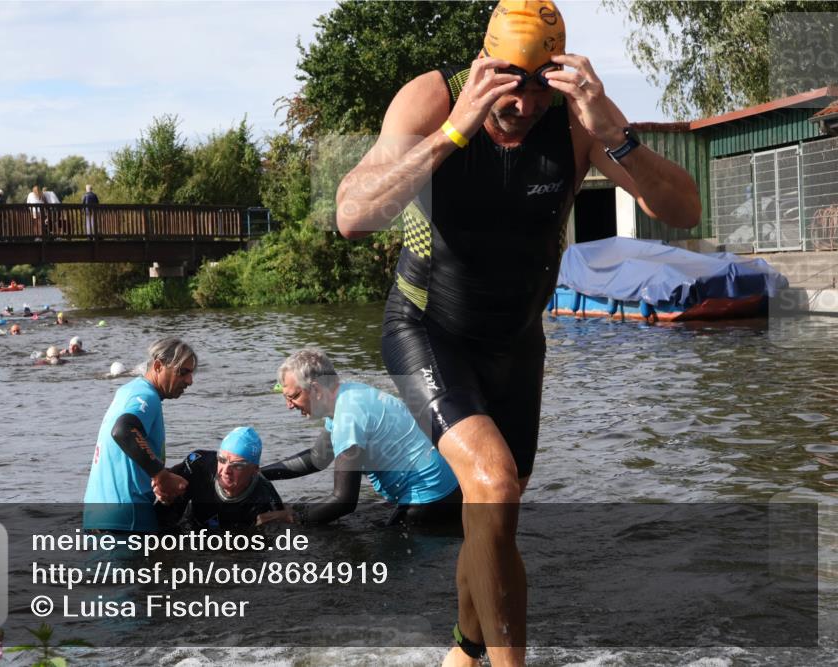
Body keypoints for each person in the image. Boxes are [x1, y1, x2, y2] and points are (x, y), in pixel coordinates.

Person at [333, 3, 701, 664]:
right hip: (427, 325)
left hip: (515, 342)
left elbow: (681, 208)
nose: (526, 101)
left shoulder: (577, 122)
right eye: (509, 79)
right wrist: (452, 132)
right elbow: (354, 215)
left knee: (494, 513)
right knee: (494, 483)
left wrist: (615, 133)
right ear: (483, 62)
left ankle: (464, 649)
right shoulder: (433, 98)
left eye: (541, 82)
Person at [263, 349, 460, 527]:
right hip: (447, 488)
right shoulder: (349, 395)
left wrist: (293, 518)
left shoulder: (348, 418)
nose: (289, 405)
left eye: (293, 396)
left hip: (430, 497)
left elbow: (344, 502)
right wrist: (259, 474)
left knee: (385, 563)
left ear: (315, 389)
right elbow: (318, 458)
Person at [83, 337, 196, 533]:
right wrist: (160, 475)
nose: (189, 381)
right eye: (183, 372)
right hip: (127, 518)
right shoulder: (147, 397)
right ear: (159, 366)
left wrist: (164, 471)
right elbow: (123, 430)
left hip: (97, 513)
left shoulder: (129, 390)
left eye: (191, 373)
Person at [153, 426, 290, 531]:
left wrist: (281, 517)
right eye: (222, 460)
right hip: (192, 526)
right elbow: (164, 483)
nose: (225, 471)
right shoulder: (198, 464)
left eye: (237, 466)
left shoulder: (264, 494)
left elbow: (287, 520)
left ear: (254, 470)